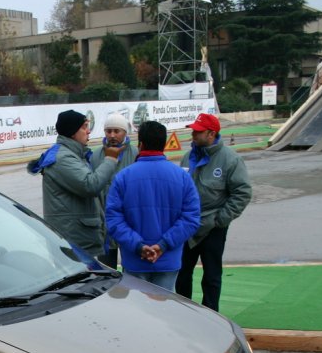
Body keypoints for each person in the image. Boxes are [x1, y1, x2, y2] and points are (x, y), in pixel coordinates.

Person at [104, 121, 200, 292]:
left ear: (140, 144)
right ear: (163, 144)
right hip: (168, 259)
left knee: (138, 312)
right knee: (163, 310)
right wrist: (163, 245)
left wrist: (138, 246)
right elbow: (191, 218)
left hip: (135, 260)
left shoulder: (123, 177)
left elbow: (113, 220)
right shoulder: (182, 177)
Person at [175, 113, 252, 311]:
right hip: (187, 227)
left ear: (211, 134)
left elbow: (242, 193)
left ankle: (210, 315)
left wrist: (220, 219)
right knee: (182, 274)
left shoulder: (230, 160)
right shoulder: (187, 157)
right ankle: (184, 313)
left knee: (211, 276)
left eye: (198, 131)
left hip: (213, 228)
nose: (193, 134)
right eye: (193, 130)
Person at [27, 109, 121, 262]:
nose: (88, 131)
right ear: (72, 132)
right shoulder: (62, 158)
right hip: (72, 241)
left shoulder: (74, 154)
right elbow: (90, 185)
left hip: (78, 239)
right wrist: (110, 159)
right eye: (84, 127)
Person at [91, 111, 139, 268]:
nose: (112, 135)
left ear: (125, 132)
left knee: (131, 271)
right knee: (107, 271)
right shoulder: (96, 155)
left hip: (130, 223)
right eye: (108, 131)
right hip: (105, 224)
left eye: (116, 131)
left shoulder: (135, 155)